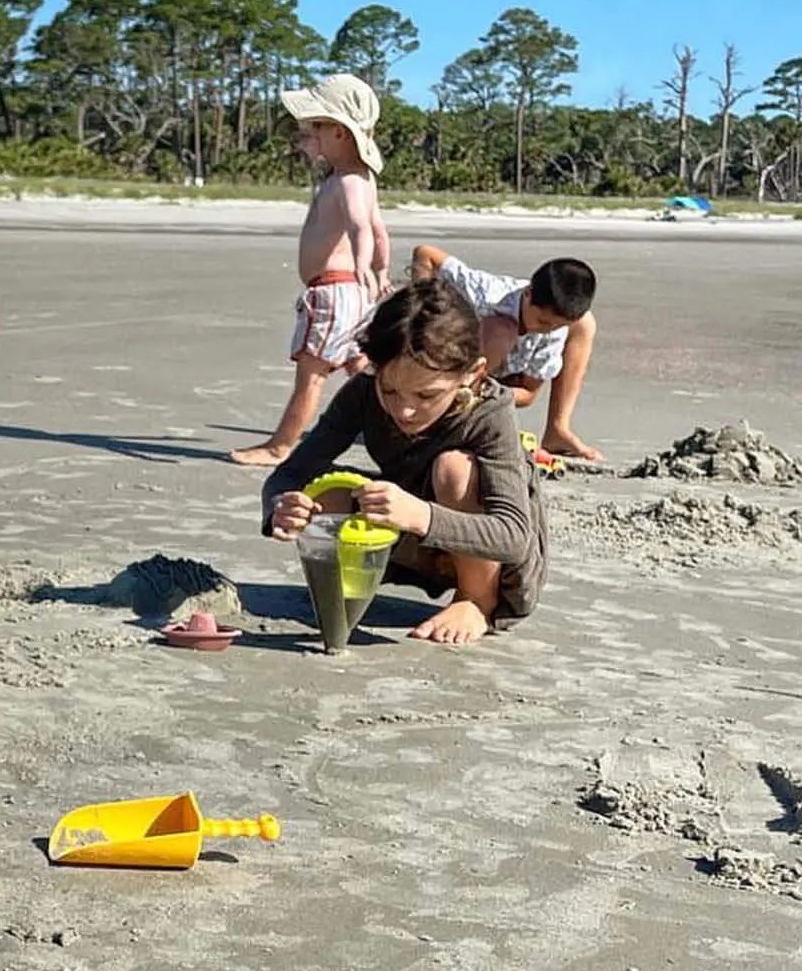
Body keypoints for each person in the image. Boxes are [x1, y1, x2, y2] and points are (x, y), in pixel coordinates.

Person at [262, 275, 548, 646]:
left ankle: (476, 602)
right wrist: (279, 509)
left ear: (473, 373)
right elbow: (289, 475)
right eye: (390, 389)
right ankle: (344, 596)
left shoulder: (489, 412)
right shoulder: (363, 394)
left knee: (454, 470)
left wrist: (419, 515)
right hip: (411, 535)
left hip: (494, 560)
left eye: (426, 394)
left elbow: (513, 537)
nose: (405, 409)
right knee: (325, 492)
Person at [231, 72, 391, 466]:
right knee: (359, 367)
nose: (309, 136)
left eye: (315, 127)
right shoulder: (360, 178)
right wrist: (380, 273)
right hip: (351, 292)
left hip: (335, 291)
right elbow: (379, 231)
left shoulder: (349, 183)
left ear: (339, 132)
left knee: (312, 372)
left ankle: (280, 446)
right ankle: (398, 430)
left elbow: (360, 228)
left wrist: (361, 267)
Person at [409, 244, 600, 461]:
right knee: (502, 329)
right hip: (458, 361)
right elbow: (425, 254)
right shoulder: (486, 293)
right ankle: (441, 413)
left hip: (492, 385)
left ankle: (557, 429)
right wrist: (423, 322)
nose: (545, 330)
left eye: (556, 326)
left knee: (586, 323)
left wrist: (490, 391)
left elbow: (528, 394)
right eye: (542, 321)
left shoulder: (553, 332)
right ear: (528, 293)